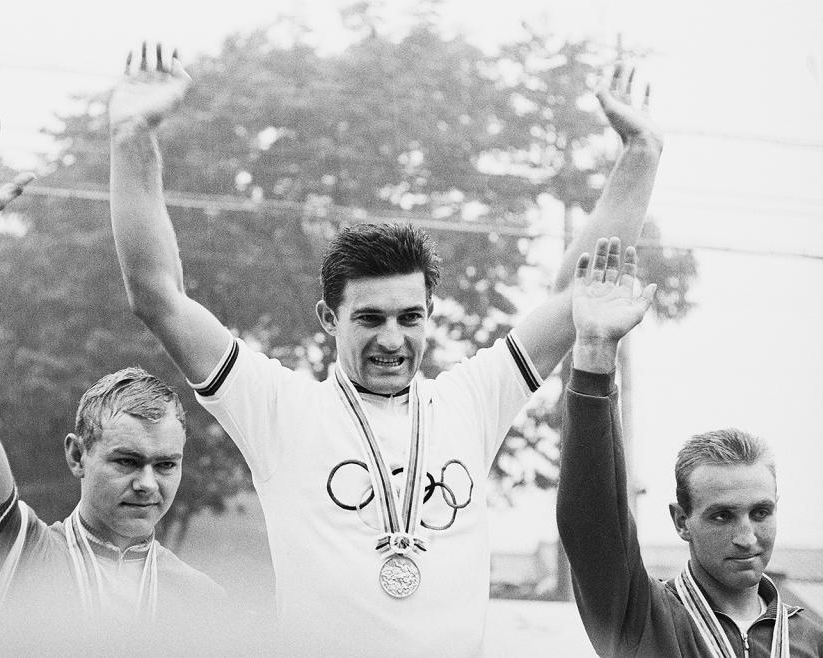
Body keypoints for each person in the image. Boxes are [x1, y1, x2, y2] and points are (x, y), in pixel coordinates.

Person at [109, 42, 662, 654]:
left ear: (429, 317)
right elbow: (158, 297)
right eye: (369, 318)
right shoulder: (280, 409)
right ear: (329, 317)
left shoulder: (471, 401)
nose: (392, 340)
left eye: (410, 317)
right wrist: (135, 134)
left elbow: (577, 293)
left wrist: (641, 153)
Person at [0, 103, 223, 638]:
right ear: (77, 456)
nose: (147, 484)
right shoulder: (24, 557)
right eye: (127, 460)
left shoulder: (205, 600)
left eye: (166, 464)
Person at [557, 238, 823, 656]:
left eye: (761, 512)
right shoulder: (641, 617)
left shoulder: (810, 635)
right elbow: (593, 520)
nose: (747, 536)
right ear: (682, 521)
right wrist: (594, 353)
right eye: (721, 516)